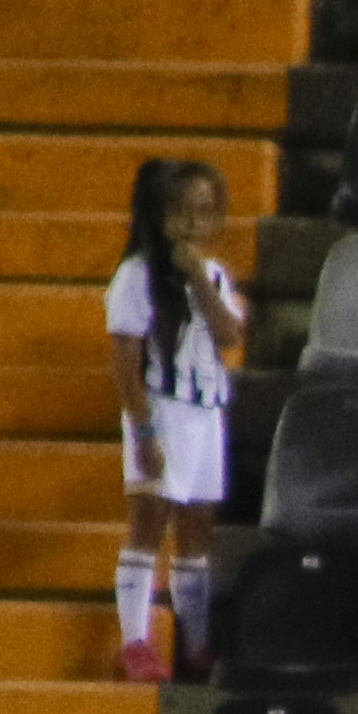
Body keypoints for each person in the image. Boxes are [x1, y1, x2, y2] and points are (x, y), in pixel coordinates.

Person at [103, 155, 240, 684]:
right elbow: (123, 363)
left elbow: (229, 335)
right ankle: (135, 641)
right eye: (181, 213)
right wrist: (144, 431)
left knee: (197, 530)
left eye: (204, 213)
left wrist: (201, 283)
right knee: (149, 524)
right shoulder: (135, 276)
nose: (193, 225)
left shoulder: (216, 276)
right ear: (159, 215)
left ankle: (196, 641)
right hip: (162, 407)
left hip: (207, 414)